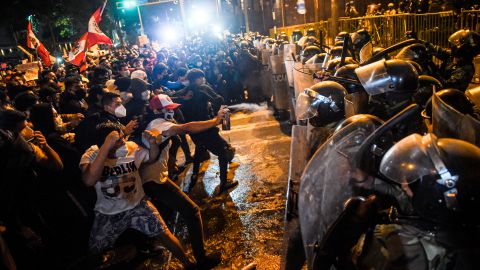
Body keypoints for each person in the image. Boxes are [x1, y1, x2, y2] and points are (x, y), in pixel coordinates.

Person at [79, 122, 196, 268]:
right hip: (108, 213)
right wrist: (106, 147)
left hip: (137, 205)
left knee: (164, 234)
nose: (123, 142)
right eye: (118, 140)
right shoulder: (91, 154)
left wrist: (153, 144)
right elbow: (89, 180)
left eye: (123, 137)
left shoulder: (131, 147)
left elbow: (151, 158)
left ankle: (189, 264)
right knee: (95, 250)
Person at [141, 94, 227, 268]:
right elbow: (186, 128)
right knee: (192, 212)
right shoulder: (158, 124)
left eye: (172, 109)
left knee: (162, 223)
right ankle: (201, 260)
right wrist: (215, 121)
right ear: (156, 110)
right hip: (153, 180)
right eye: (167, 109)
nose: (171, 113)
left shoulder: (153, 123)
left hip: (154, 178)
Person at [177, 69, 238, 194]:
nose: (203, 79)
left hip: (193, 130)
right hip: (206, 128)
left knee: (200, 148)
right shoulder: (202, 88)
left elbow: (172, 96)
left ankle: (194, 174)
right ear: (197, 78)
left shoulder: (184, 92)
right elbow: (219, 99)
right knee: (223, 151)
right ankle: (224, 182)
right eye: (202, 77)